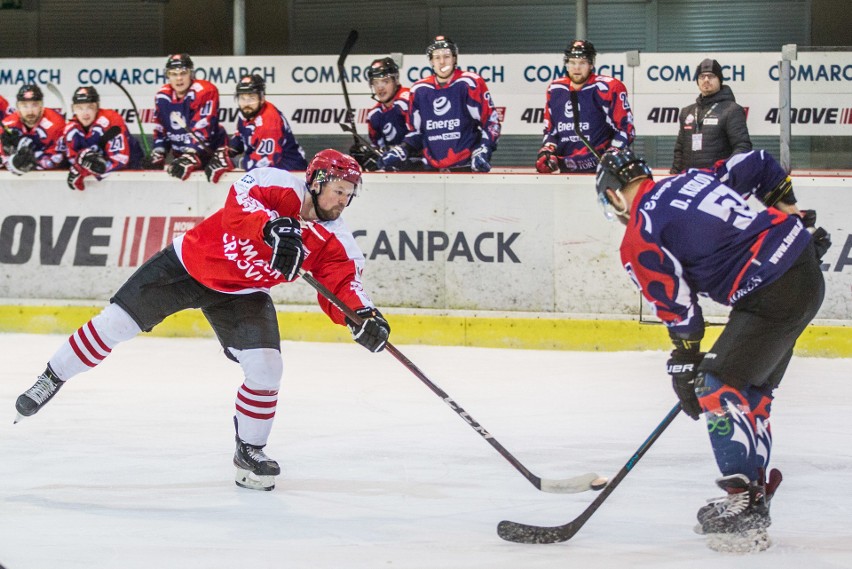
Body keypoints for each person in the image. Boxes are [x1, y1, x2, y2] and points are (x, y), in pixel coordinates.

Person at [14, 149, 392, 492]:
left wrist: (363, 316)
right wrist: (269, 227)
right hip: (188, 265)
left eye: (348, 193)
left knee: (267, 368)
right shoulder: (278, 185)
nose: (342, 200)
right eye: (338, 190)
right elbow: (237, 204)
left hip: (241, 293)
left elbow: (345, 285)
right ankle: (53, 376)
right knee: (115, 324)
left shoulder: (335, 241)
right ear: (316, 181)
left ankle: (250, 450)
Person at [594, 147, 830, 551]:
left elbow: (677, 306)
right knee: (749, 392)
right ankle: (753, 494)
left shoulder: (640, 233)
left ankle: (745, 502)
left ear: (615, 195)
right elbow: (756, 163)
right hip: (804, 272)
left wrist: (685, 360)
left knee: (716, 385)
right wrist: (790, 214)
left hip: (772, 293)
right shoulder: (690, 179)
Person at [378, 36, 501, 172]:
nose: (442, 62)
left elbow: (491, 121)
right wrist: (402, 149)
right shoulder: (419, 90)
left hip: (465, 169)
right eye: (437, 57)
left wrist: (484, 149)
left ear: (454, 59)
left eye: (447, 56)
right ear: (431, 61)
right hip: (431, 171)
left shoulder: (469, 83)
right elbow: (416, 133)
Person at [536, 40, 635, 174]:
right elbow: (551, 131)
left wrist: (613, 152)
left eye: (582, 63)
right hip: (566, 170)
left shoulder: (607, 88)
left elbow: (626, 129)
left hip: (601, 171)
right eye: (572, 62)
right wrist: (547, 150)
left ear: (591, 64)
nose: (576, 68)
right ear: (566, 64)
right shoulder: (555, 89)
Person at [205, 74, 307, 184]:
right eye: (242, 98)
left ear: (262, 98)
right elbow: (240, 136)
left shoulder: (270, 122)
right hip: (274, 176)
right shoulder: (248, 112)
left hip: (292, 176)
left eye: (251, 98)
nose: (246, 103)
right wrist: (229, 151)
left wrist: (232, 161)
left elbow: (262, 165)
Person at [150, 53, 226, 180]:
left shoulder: (205, 91)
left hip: (213, 158)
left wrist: (190, 155)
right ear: (168, 75)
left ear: (191, 74)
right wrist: (158, 152)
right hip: (181, 161)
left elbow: (202, 129)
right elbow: (161, 130)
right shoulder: (162, 96)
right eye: (174, 74)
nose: (179, 78)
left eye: (183, 73)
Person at [670, 58, 752, 174]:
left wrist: (724, 173)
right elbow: (679, 150)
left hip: (717, 182)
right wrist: (674, 176)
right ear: (697, 81)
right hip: (689, 182)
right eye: (702, 76)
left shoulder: (732, 110)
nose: (706, 80)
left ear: (719, 80)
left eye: (711, 76)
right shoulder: (687, 112)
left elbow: (742, 147)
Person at [349, 57, 424, 172]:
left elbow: (421, 136)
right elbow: (379, 148)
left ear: (396, 80)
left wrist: (400, 151)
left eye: (385, 81)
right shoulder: (374, 115)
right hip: (396, 170)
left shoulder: (408, 100)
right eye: (375, 82)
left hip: (421, 165)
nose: (380, 87)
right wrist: (367, 154)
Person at [63, 86, 144, 191]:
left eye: (90, 107)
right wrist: (81, 167)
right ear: (73, 108)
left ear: (97, 107)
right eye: (79, 107)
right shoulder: (70, 130)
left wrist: (85, 170)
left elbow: (120, 159)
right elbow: (74, 161)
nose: (85, 113)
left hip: (132, 172)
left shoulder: (111, 121)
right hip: (104, 183)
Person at [1, 84, 66, 175]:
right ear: (18, 107)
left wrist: (34, 161)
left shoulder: (56, 124)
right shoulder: (7, 126)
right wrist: (11, 161)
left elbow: (58, 158)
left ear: (41, 106)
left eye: (34, 105)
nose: (30, 111)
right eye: (24, 106)